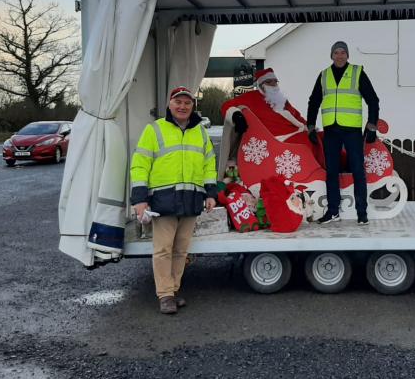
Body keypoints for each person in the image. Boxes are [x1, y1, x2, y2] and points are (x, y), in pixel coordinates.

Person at [130, 86, 217, 314]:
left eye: (187, 103)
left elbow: (209, 164)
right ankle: (165, 295)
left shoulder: (200, 132)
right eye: (178, 102)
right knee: (163, 249)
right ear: (170, 104)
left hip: (191, 199)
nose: (182, 106)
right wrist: (140, 199)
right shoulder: (154, 129)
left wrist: (210, 193)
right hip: (163, 200)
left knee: (181, 250)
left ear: (192, 106)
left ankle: (174, 290)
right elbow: (140, 165)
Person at [307, 41, 379, 225]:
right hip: (331, 130)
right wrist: (310, 126)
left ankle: (362, 213)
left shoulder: (357, 72)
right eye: (336, 53)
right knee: (331, 171)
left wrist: (372, 125)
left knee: (357, 170)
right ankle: (333, 212)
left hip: (352, 130)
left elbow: (373, 100)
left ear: (347, 55)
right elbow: (314, 101)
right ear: (331, 55)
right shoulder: (324, 75)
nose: (339, 56)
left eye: (342, 53)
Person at [222, 67, 316, 152]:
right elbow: (226, 106)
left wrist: (310, 127)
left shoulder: (282, 100)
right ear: (261, 85)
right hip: (273, 140)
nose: (273, 84)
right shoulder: (251, 97)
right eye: (269, 82)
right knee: (306, 143)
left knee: (319, 137)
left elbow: (297, 116)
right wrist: (236, 116)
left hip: (295, 132)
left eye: (275, 81)